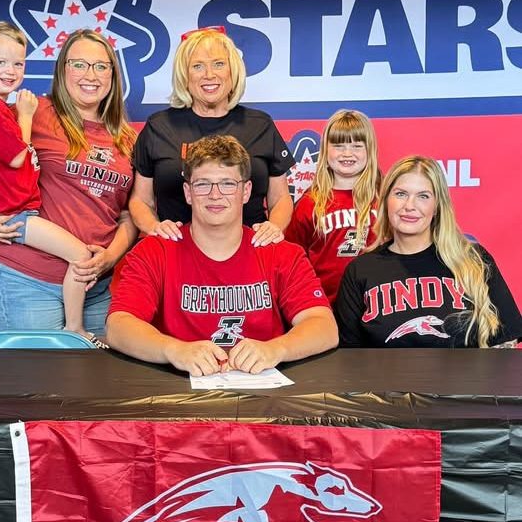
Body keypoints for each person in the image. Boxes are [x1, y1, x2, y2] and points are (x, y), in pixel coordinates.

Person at [0, 28, 137, 335]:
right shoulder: (32, 111)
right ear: (62, 69)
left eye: (101, 66)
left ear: (113, 75)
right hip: (26, 280)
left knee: (99, 367)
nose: (90, 75)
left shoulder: (128, 139)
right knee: (36, 368)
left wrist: (109, 257)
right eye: (79, 64)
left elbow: (128, 214)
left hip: (93, 288)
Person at [107, 135, 338, 375]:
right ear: (188, 192)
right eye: (202, 184)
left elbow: (324, 326)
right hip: (179, 389)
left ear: (246, 191)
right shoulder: (155, 251)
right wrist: (173, 350)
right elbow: (119, 326)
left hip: (262, 390)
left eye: (227, 184)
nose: (215, 195)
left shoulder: (281, 253)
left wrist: (276, 349)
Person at [129, 26, 294, 245]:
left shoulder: (261, 125)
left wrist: (273, 228)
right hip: (177, 250)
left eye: (218, 64)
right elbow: (140, 200)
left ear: (233, 71)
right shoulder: (158, 127)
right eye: (197, 66)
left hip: (251, 249)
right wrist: (155, 227)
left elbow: (280, 198)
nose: (209, 74)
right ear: (184, 75)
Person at [335, 155, 522, 347]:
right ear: (385, 200)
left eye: (423, 196)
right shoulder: (360, 270)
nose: (409, 206)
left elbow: (506, 339)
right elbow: (348, 354)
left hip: (467, 369)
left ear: (437, 206)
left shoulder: (473, 259)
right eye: (400, 194)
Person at [285, 109, 380, 305]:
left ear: (369, 150)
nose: (347, 153)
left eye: (356, 146)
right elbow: (293, 259)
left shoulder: (382, 198)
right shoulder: (310, 203)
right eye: (338, 145)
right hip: (326, 305)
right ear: (325, 150)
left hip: (375, 304)